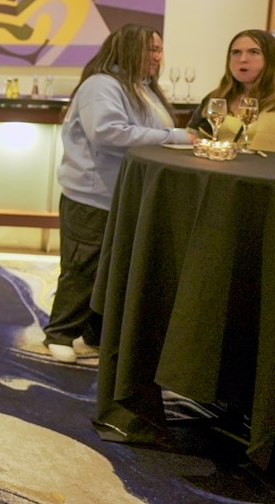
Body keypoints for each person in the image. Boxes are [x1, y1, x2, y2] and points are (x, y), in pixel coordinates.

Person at [44, 24, 191, 363]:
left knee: (111, 271)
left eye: (159, 49)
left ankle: (91, 335)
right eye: (150, 49)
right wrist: (175, 137)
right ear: (127, 49)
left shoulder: (141, 87)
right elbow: (108, 133)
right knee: (83, 267)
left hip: (122, 195)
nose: (157, 56)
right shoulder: (102, 85)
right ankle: (60, 333)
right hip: (91, 195)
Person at [186, 29, 275, 151]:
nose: (243, 59)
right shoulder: (217, 97)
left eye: (254, 52)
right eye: (236, 52)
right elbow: (193, 139)